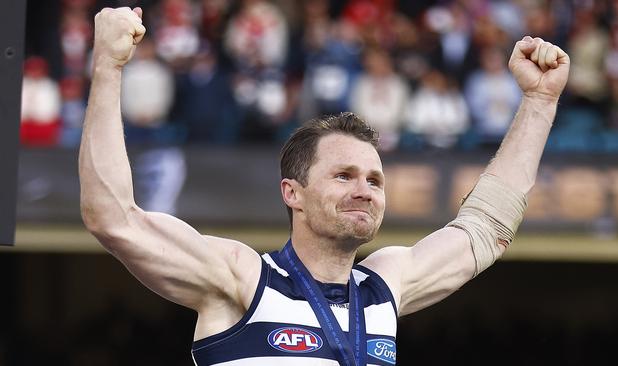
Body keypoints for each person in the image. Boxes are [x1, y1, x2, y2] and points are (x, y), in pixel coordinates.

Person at [79, 7, 569, 366]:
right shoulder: (242, 279)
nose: (366, 189)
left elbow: (487, 226)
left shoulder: (384, 286)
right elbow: (113, 217)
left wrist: (540, 102)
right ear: (292, 192)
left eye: (375, 180)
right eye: (344, 176)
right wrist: (108, 66)